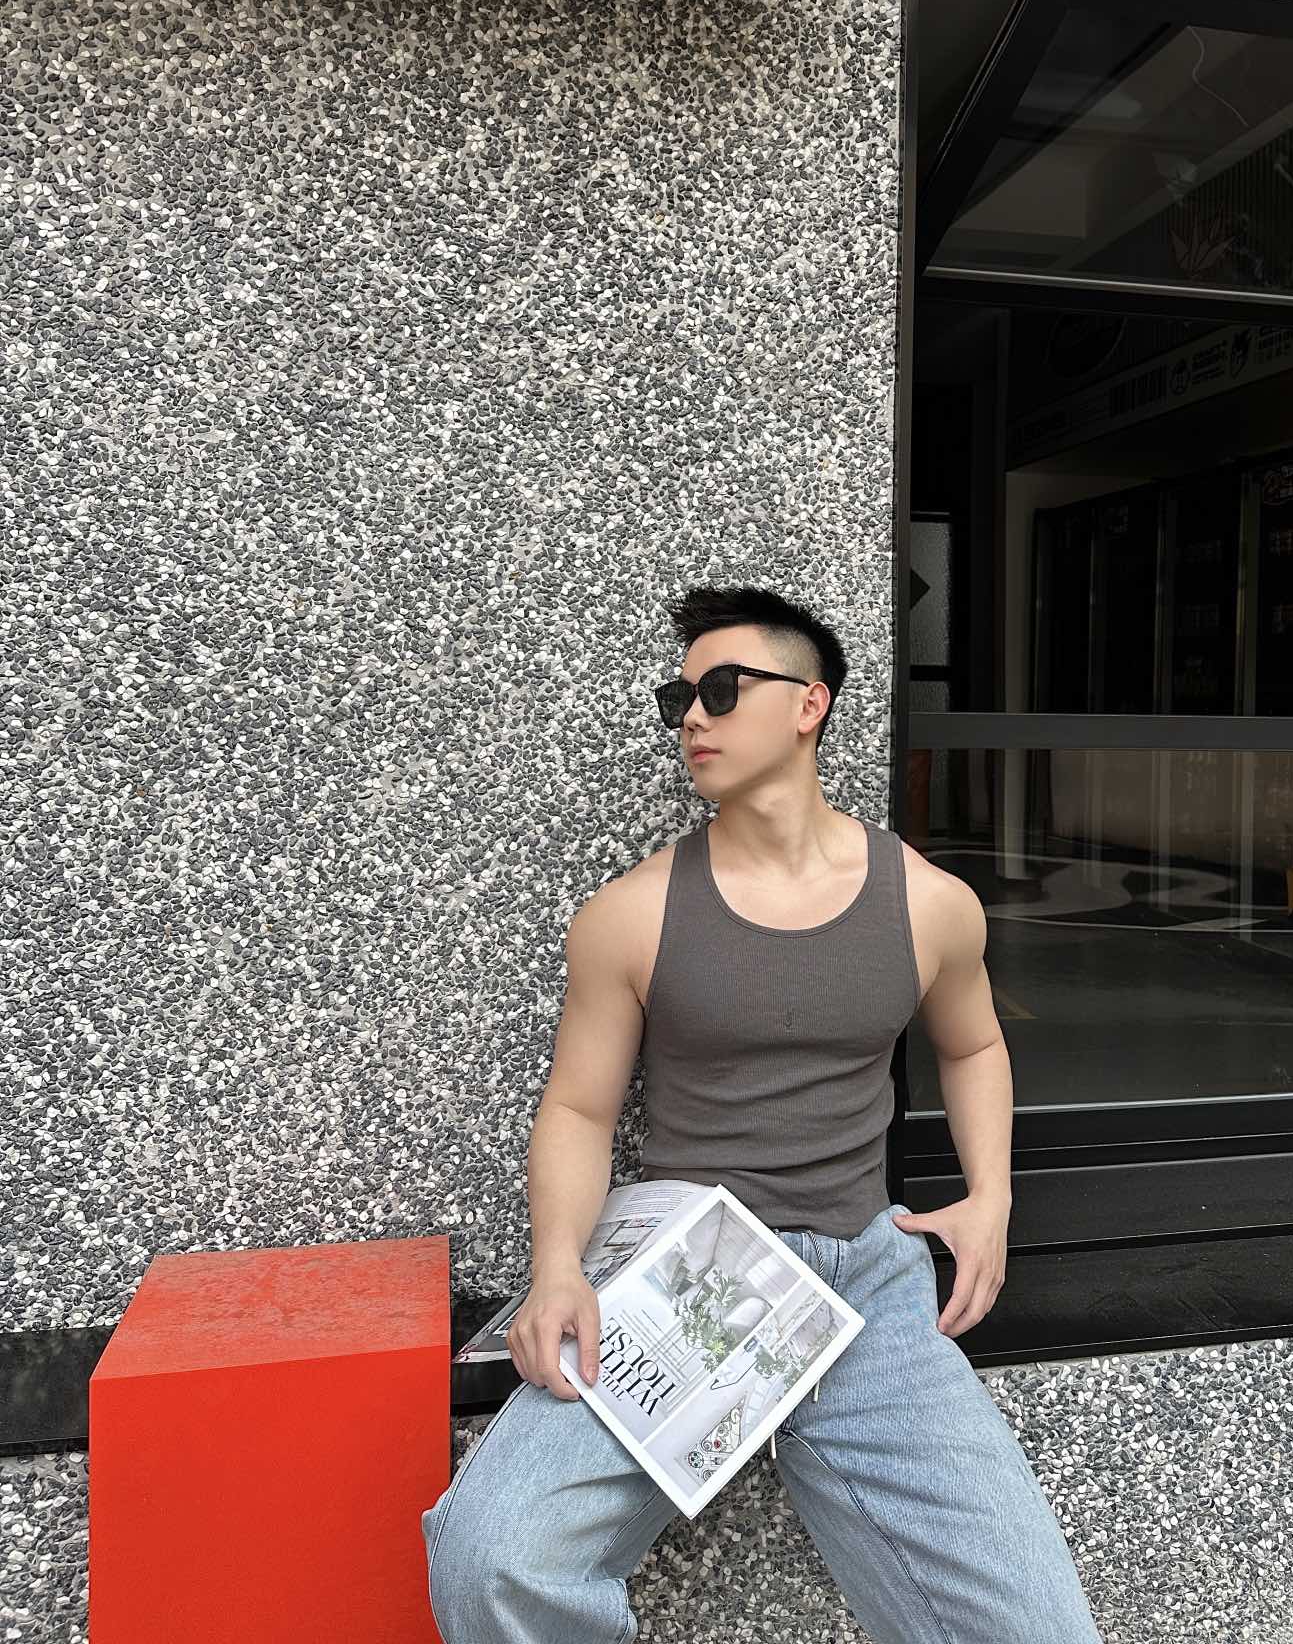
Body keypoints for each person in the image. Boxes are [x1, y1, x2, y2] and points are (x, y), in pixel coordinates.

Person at [421, 583, 1104, 1644]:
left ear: (809, 705)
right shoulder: (632, 914)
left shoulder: (929, 903)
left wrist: (991, 1198)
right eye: (679, 699)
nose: (692, 718)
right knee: (493, 1553)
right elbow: (578, 1109)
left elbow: (974, 1046)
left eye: (723, 690)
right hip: (691, 1279)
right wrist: (557, 1267)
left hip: (865, 1282)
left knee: (1035, 1628)